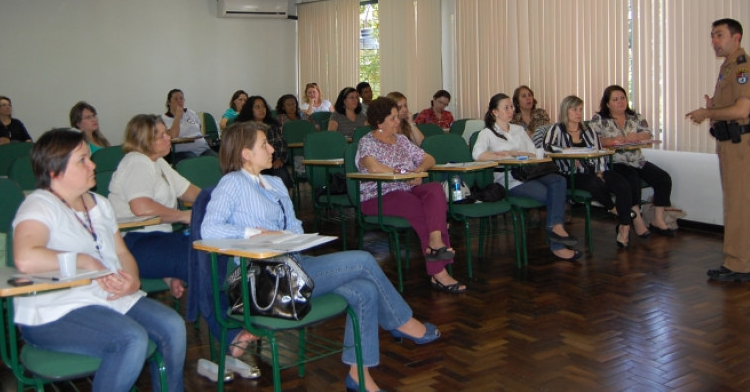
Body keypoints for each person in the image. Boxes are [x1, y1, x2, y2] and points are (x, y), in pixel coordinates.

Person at [202, 121, 441, 392]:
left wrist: (293, 237)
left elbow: (294, 226)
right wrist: (254, 233)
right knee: (362, 260)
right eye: (263, 145)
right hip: (263, 279)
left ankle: (359, 376)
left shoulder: (275, 183)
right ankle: (402, 322)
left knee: (363, 290)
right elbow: (209, 229)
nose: (272, 149)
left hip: (293, 265)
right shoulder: (231, 184)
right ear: (245, 154)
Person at [12, 129, 185, 392]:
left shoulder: (100, 204)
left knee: (173, 326)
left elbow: (123, 253)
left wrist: (132, 280)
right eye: (82, 160)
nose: (93, 164)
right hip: (55, 309)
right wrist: (86, 261)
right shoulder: (39, 205)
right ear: (54, 170)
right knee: (130, 339)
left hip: (107, 298)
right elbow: (25, 258)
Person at [356, 97, 465, 293]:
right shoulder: (367, 142)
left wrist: (419, 170)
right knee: (421, 208)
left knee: (435, 190)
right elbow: (373, 167)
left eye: (398, 117)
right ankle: (439, 273)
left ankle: (435, 241)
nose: (398, 122)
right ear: (379, 122)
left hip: (407, 189)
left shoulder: (402, 140)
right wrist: (402, 174)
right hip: (378, 195)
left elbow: (428, 158)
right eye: (392, 118)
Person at [686, 18, 750, 282]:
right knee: (743, 203)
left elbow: (742, 110)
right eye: (712, 36)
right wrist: (714, 105)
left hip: (739, 143)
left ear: (736, 37)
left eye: (719, 35)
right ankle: (749, 258)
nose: (714, 41)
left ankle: (737, 264)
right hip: (731, 142)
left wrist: (707, 112)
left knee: (736, 205)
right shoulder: (728, 68)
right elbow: (731, 105)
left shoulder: (744, 68)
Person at [472, 93, 579, 261]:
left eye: (511, 107)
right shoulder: (487, 133)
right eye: (505, 108)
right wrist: (503, 155)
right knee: (550, 194)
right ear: (495, 112)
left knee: (559, 181)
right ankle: (557, 244)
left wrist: (518, 153)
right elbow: (477, 154)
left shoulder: (518, 130)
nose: (510, 110)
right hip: (509, 177)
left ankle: (556, 228)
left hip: (531, 172)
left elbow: (532, 153)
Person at [108, 115, 200, 298]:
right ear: (145, 141)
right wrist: (182, 216)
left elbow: (189, 191)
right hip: (135, 243)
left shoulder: (157, 162)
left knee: (211, 250)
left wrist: (220, 200)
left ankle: (227, 321)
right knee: (203, 260)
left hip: (159, 239)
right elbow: (141, 207)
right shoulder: (136, 162)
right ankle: (228, 323)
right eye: (162, 136)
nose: (169, 138)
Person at [543, 96, 650, 248]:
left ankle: (624, 228)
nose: (578, 113)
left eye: (580, 109)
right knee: (593, 183)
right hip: (570, 174)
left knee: (622, 183)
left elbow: (599, 151)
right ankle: (614, 209)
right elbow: (548, 148)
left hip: (593, 170)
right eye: (574, 110)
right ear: (565, 111)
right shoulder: (556, 129)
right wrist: (569, 152)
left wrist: (600, 170)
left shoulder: (588, 130)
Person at [591, 85, 675, 236]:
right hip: (615, 162)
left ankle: (658, 220)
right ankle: (638, 221)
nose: (620, 102)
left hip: (636, 160)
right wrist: (612, 140)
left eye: (623, 98)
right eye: (615, 99)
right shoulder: (600, 119)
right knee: (632, 180)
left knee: (663, 178)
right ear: (608, 103)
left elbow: (647, 134)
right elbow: (592, 140)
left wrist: (636, 137)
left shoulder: (635, 117)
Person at [235, 96, 292, 189]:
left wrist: (280, 159)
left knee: (282, 176)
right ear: (250, 110)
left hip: (272, 161)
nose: (262, 110)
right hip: (252, 163)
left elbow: (281, 143)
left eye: (263, 107)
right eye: (257, 107)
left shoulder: (272, 126)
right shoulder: (244, 128)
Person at [162, 89, 216, 163]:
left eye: (181, 98)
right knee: (195, 164)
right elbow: (173, 136)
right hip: (183, 152)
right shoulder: (164, 118)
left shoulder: (190, 113)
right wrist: (177, 116)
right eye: (176, 99)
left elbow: (198, 128)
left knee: (217, 161)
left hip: (202, 149)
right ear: (169, 102)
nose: (179, 101)